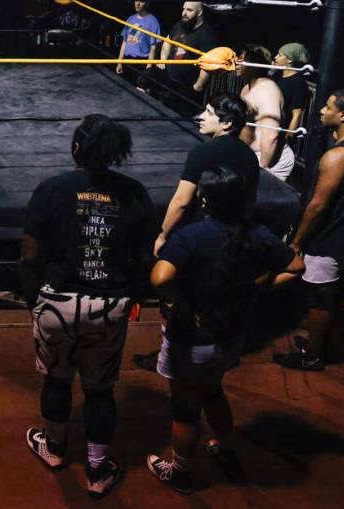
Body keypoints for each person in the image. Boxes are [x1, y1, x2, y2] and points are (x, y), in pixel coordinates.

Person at [20, 114, 153, 499]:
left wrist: (34, 301)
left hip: (56, 302)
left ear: (76, 148)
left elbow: (30, 255)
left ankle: (56, 449)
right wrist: (135, 298)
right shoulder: (134, 193)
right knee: (100, 390)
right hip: (108, 304)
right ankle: (97, 468)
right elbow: (143, 256)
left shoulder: (51, 189)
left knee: (57, 378)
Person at [147, 167, 303, 494]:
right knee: (213, 390)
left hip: (193, 338)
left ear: (204, 200)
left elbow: (160, 278)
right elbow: (296, 266)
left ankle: (181, 472)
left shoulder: (191, 236)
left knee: (185, 407)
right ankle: (225, 445)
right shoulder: (257, 233)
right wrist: (255, 288)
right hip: (232, 334)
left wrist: (184, 304)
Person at [274, 89, 344, 371]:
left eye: (328, 107)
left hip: (330, 235)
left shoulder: (338, 157)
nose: (321, 110)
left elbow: (318, 206)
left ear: (343, 115)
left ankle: (313, 354)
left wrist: (297, 241)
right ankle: (324, 342)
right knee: (333, 288)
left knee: (320, 295)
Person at [154, 94, 259, 257]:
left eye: (209, 113)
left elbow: (181, 201)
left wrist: (163, 235)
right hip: (234, 238)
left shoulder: (202, 152)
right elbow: (249, 203)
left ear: (227, 123)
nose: (200, 117)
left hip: (200, 232)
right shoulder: (250, 156)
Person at [236, 44, 295, 181]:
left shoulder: (267, 90)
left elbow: (271, 133)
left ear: (252, 65)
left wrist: (263, 167)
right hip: (251, 154)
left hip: (268, 158)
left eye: (242, 59)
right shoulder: (247, 88)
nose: (237, 62)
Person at [155, 0, 218, 102]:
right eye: (183, 9)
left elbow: (209, 62)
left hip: (187, 87)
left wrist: (198, 84)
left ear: (200, 12)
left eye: (189, 10)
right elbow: (167, 41)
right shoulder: (179, 25)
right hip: (169, 80)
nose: (184, 13)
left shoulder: (206, 33)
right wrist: (163, 59)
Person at [115, 0, 160, 85]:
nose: (138, 4)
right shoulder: (130, 19)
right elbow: (124, 42)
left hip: (141, 62)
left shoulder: (153, 21)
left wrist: (149, 67)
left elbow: (153, 47)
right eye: (136, 0)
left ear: (147, 3)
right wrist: (119, 62)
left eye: (141, 1)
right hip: (127, 61)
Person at [272, 42, 312, 144]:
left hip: (279, 131)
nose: (275, 57)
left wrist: (287, 137)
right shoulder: (278, 75)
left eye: (280, 55)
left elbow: (297, 115)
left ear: (289, 59)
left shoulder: (298, 83)